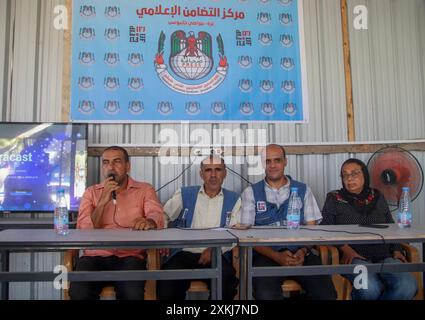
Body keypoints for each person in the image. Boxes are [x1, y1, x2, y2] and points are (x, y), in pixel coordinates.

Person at [239, 144, 336, 300]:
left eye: (277, 160)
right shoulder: (250, 193)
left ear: (285, 162)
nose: (272, 165)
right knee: (266, 295)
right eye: (268, 161)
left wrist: (303, 251)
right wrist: (276, 256)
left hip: (301, 253)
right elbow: (247, 236)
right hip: (266, 255)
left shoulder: (303, 190)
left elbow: (312, 229)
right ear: (263, 164)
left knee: (327, 294)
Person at [69, 146, 164, 300]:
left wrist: (149, 221)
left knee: (132, 293)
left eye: (117, 162)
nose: (111, 167)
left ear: (128, 166)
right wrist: (102, 202)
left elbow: (157, 214)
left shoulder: (145, 189)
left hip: (130, 256)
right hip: (95, 257)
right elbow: (84, 229)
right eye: (106, 163)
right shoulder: (91, 192)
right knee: (79, 292)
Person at [321, 158, 417, 300]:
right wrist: (347, 250)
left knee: (407, 286)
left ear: (365, 175)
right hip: (355, 258)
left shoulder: (377, 196)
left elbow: (391, 226)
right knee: (370, 289)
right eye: (345, 175)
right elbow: (325, 228)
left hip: (385, 256)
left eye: (354, 173)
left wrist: (396, 249)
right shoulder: (334, 198)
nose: (349, 178)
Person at [157, 155, 240, 300]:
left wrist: (215, 249)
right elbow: (163, 215)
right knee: (167, 285)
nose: (213, 175)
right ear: (201, 174)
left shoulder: (234, 199)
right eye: (208, 170)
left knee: (226, 285)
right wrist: (164, 238)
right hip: (184, 252)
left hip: (217, 255)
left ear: (225, 173)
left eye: (218, 170)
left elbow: (235, 232)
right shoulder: (185, 194)